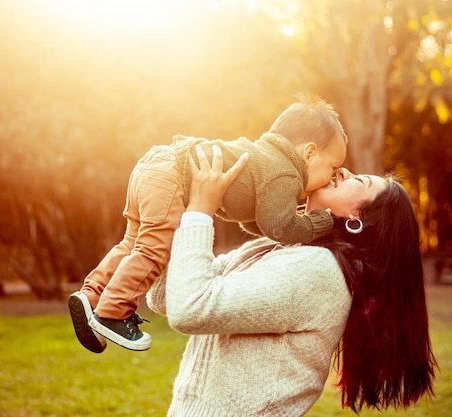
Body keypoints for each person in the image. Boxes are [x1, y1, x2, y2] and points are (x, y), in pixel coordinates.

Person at [147, 146, 438, 416]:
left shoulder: (318, 272)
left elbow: (190, 308)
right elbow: (165, 297)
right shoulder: (281, 248)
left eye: (360, 182)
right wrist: (166, 208)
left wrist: (200, 210)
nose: (344, 172)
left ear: (357, 218)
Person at [68, 94, 348, 352]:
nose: (332, 176)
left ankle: (91, 295)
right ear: (309, 153)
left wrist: (288, 215)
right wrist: (319, 222)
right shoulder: (286, 173)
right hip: (172, 177)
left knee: (132, 243)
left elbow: (263, 223)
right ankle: (113, 312)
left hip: (154, 165)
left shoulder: (266, 158)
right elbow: (279, 228)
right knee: (154, 249)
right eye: (333, 168)